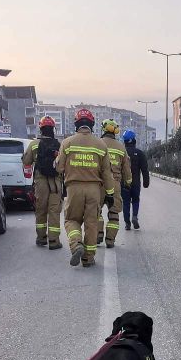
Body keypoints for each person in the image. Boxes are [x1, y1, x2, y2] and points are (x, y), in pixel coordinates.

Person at [57, 108, 112, 267]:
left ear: (76, 124)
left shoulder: (67, 143)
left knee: (71, 220)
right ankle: (88, 259)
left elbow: (59, 168)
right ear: (92, 125)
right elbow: (107, 173)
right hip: (94, 190)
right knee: (91, 223)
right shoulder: (100, 145)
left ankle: (76, 245)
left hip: (73, 189)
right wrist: (109, 193)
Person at [22, 116, 63, 249]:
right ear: (53, 129)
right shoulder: (60, 145)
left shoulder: (34, 144)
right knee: (54, 211)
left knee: (41, 210)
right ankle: (54, 241)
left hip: (40, 183)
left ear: (41, 129)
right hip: (56, 184)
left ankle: (41, 239)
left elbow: (26, 162)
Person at [98, 118, 130, 248]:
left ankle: (97, 236)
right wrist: (128, 182)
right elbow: (126, 169)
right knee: (114, 212)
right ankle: (110, 240)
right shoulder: (121, 147)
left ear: (103, 129)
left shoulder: (98, 143)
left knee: (96, 211)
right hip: (115, 183)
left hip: (99, 184)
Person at [121, 129, 150, 230]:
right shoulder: (140, 153)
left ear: (124, 141)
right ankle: (135, 217)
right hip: (136, 183)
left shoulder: (121, 153)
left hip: (124, 183)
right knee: (136, 200)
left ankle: (127, 223)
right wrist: (146, 182)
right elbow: (145, 169)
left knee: (125, 202)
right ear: (134, 140)